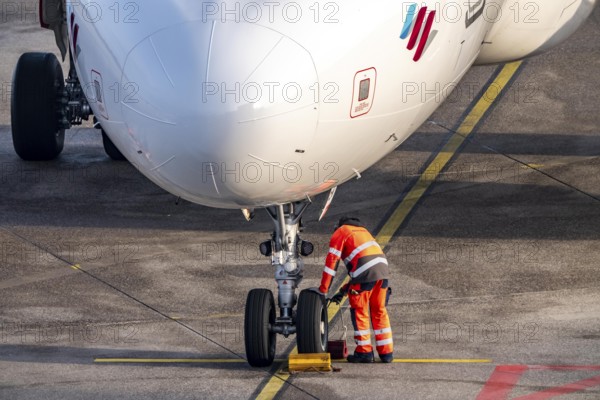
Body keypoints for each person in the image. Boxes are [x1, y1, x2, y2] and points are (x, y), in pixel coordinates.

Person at [319, 216, 393, 363]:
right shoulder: (363, 232)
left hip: (365, 272)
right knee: (379, 310)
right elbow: (361, 270)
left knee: (360, 311)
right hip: (383, 272)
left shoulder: (341, 231)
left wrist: (323, 289)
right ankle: (387, 353)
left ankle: (364, 352)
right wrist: (343, 291)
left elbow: (332, 261)